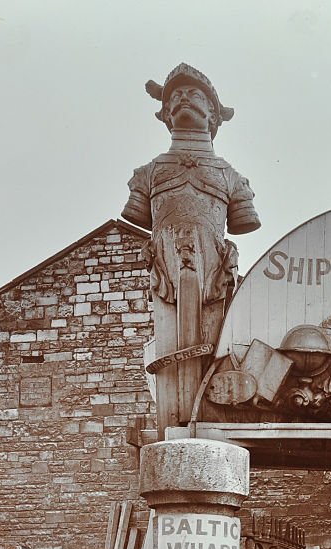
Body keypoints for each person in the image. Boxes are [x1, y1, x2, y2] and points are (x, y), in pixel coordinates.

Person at [122, 63, 260, 431]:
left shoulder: (231, 176)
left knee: (213, 343)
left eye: (194, 93)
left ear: (213, 114)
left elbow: (245, 221)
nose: (184, 99)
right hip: (166, 275)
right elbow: (135, 214)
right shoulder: (148, 173)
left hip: (213, 274)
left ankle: (204, 413)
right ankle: (172, 417)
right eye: (175, 95)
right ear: (166, 113)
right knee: (169, 349)